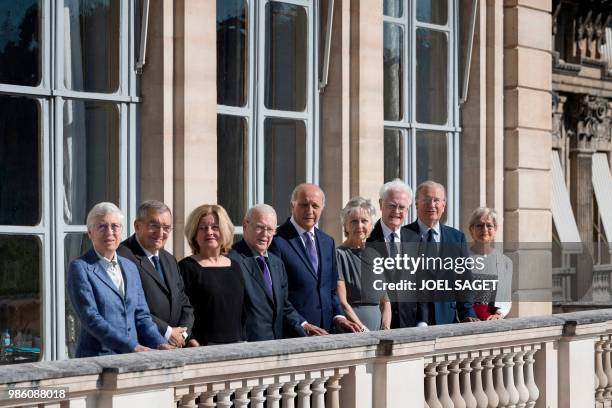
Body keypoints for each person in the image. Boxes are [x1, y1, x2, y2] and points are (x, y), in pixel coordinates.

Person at [67, 202, 171, 357]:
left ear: (121, 231)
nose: (110, 232)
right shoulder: (80, 268)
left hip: (131, 359)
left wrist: (160, 343)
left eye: (115, 226)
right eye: (102, 226)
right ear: (90, 233)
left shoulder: (130, 267)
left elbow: (142, 315)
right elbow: (91, 319)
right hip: (97, 361)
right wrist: (132, 346)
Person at [269, 183, 361, 335]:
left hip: (326, 332)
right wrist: (303, 324)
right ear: (293, 205)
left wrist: (339, 317)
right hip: (293, 334)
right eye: (304, 205)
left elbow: (331, 290)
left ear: (322, 208)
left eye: (315, 206)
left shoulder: (327, 242)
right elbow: (277, 295)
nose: (310, 211)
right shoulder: (277, 241)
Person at [229, 204, 320, 340]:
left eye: (270, 229)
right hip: (247, 349)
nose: (265, 234)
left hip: (275, 346)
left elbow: (284, 306)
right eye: (260, 227)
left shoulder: (277, 263)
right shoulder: (232, 261)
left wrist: (303, 325)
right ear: (245, 225)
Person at [117, 200, 197, 347]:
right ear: (137, 226)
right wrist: (168, 332)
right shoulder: (122, 257)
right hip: (143, 347)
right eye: (154, 226)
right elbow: (131, 306)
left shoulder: (169, 258)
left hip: (175, 346)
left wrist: (183, 335)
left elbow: (185, 304)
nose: (161, 233)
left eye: (166, 228)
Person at [403, 181, 478, 325]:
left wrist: (467, 313)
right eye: (426, 199)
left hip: (447, 319)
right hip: (410, 323)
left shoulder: (456, 238)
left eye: (436, 200)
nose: (431, 205)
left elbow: (464, 281)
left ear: (443, 205)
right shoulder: (403, 236)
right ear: (416, 204)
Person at [179, 204, 246, 345]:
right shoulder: (186, 268)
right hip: (202, 349)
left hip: (237, 347)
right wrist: (190, 338)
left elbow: (243, 311)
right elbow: (180, 311)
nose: (209, 232)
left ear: (224, 230)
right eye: (202, 228)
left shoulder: (235, 266)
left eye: (215, 227)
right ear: (194, 233)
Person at [367, 179, 422, 328]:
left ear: (408, 209)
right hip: (377, 325)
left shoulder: (415, 239)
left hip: (410, 324)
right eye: (391, 205)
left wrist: (422, 321)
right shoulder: (367, 240)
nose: (396, 212)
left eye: (401, 207)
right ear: (380, 204)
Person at [337, 197, 391, 331]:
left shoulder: (376, 255)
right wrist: (361, 328)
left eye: (364, 221)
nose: (359, 226)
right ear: (345, 226)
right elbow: (342, 302)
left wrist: (386, 327)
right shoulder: (339, 255)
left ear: (371, 225)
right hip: (352, 332)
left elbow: (385, 301)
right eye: (354, 221)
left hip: (379, 333)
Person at [467, 207, 512, 320]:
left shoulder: (505, 262)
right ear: (471, 229)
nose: (485, 229)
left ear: (495, 229)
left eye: (489, 225)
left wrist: (499, 314)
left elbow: (505, 296)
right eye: (479, 225)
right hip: (466, 321)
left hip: (492, 323)